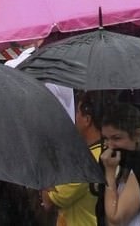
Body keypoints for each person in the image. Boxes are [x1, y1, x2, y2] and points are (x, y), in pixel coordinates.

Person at [42, 91, 105, 226]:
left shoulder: (84, 164)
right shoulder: (106, 152)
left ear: (87, 120)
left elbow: (48, 201)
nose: (74, 118)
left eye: (77, 113)